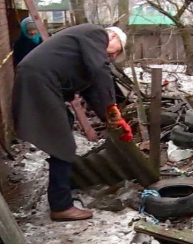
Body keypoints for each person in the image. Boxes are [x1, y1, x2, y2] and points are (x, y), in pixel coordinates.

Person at [11, 24, 132, 222]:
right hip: (40, 79)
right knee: (63, 144)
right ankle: (61, 206)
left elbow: (92, 89)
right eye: (115, 52)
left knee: (65, 124)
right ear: (112, 37)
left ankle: (60, 194)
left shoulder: (86, 50)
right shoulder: (96, 34)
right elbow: (101, 72)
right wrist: (112, 108)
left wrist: (112, 121)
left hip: (41, 79)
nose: (111, 58)